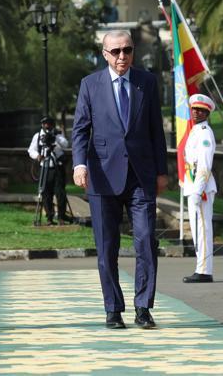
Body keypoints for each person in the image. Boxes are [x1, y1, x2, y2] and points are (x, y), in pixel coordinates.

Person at [71, 30, 168, 330]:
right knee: (107, 246)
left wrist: (162, 171)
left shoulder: (147, 82)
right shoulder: (90, 85)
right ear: (104, 54)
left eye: (127, 50)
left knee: (145, 240)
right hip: (102, 176)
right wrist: (79, 164)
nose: (122, 56)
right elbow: (80, 129)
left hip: (140, 177)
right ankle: (113, 309)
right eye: (115, 51)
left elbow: (156, 130)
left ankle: (143, 307)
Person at [182, 93, 218, 283]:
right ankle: (201, 266)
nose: (196, 113)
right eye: (194, 109)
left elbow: (204, 164)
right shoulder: (196, 130)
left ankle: (204, 270)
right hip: (194, 183)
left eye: (201, 110)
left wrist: (198, 189)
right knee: (198, 229)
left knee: (203, 229)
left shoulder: (204, 132)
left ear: (207, 113)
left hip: (201, 187)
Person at [27, 116, 71, 225]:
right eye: (45, 124)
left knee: (60, 192)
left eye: (50, 124)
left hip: (57, 167)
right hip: (45, 166)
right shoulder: (37, 136)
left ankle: (61, 216)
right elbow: (31, 150)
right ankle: (49, 218)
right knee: (46, 193)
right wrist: (38, 156)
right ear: (42, 124)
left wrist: (55, 137)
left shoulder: (57, 135)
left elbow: (66, 144)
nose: (47, 126)